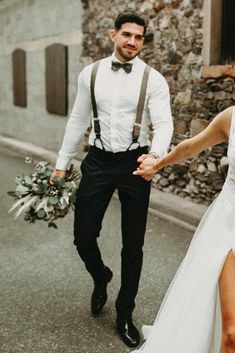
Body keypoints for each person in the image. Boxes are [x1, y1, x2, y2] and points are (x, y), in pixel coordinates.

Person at [51, 11, 173, 348]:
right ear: (113, 34)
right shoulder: (89, 75)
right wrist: (61, 164)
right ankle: (101, 275)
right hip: (99, 160)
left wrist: (155, 155)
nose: (133, 42)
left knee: (133, 244)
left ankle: (124, 312)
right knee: (83, 234)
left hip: (136, 161)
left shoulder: (154, 79)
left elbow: (163, 124)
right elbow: (77, 120)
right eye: (127, 35)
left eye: (139, 37)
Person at [132, 105, 235, 353]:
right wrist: (157, 164)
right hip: (228, 228)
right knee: (232, 334)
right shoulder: (231, 117)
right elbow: (190, 146)